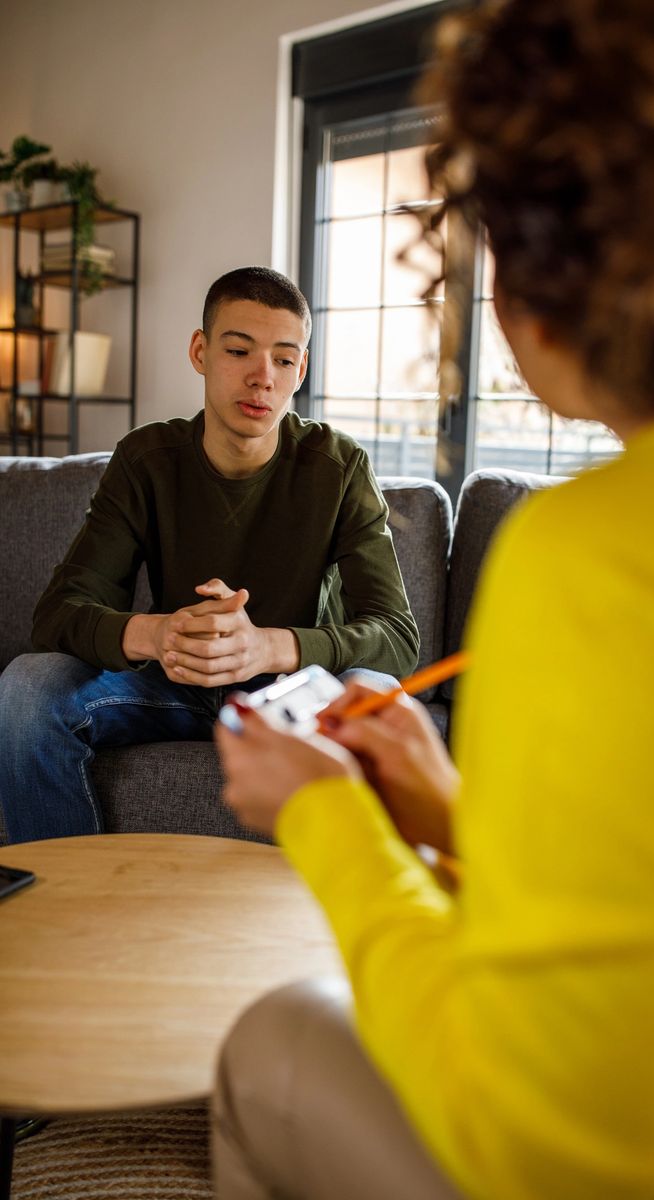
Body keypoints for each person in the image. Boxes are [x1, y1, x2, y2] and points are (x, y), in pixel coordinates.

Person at [212, 3, 654, 1198]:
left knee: (267, 1037)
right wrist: (452, 817)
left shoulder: (603, 553)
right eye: (239, 350)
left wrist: (333, 824)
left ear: (537, 283)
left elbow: (557, 1155)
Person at [0, 266, 419, 845]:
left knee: (373, 690)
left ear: (300, 370)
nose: (261, 377)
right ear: (200, 351)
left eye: (282, 359)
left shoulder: (339, 466)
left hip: (288, 694)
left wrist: (266, 646)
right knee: (27, 686)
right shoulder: (147, 459)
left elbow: (397, 635)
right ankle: (64, 901)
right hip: (172, 681)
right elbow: (60, 612)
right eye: (239, 350)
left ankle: (329, 919)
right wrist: (158, 634)